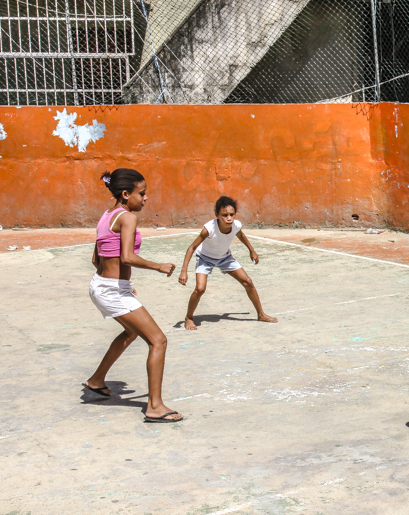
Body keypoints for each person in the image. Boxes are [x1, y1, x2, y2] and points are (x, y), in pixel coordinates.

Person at [84, 168, 183, 423]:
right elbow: (127, 257)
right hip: (112, 289)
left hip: (103, 285)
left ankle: (96, 380)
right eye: (142, 193)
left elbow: (97, 257)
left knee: (131, 332)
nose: (146, 198)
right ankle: (155, 406)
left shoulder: (107, 215)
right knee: (158, 340)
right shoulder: (127, 218)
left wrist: (120, 283)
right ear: (126, 194)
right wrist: (158, 266)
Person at [178, 196, 277, 330]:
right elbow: (191, 248)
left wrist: (251, 250)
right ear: (217, 215)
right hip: (205, 258)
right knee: (200, 289)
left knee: (248, 281)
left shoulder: (235, 225)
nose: (229, 218)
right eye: (224, 215)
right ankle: (189, 317)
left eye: (232, 214)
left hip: (225, 257)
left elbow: (241, 235)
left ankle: (261, 314)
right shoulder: (208, 228)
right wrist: (184, 270)